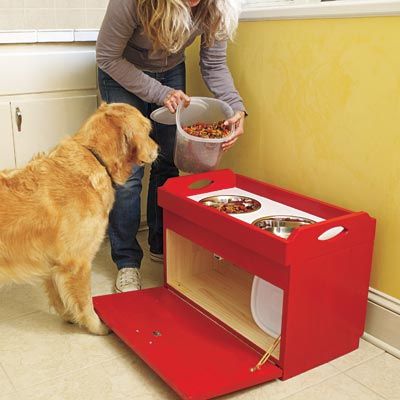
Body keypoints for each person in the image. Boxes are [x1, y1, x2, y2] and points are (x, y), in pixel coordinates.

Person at [96, 0, 246, 293]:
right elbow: (108, 56)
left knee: (167, 163)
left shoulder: (217, 7)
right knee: (129, 174)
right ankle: (127, 262)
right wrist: (160, 92)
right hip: (122, 73)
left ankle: (159, 243)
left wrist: (236, 107)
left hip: (170, 70)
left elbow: (214, 64)